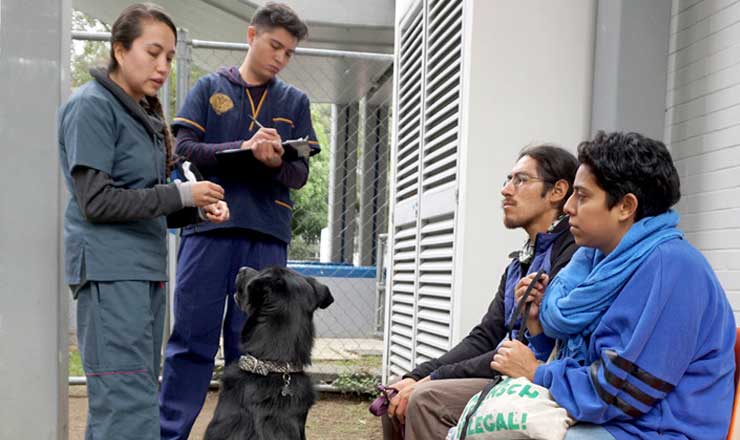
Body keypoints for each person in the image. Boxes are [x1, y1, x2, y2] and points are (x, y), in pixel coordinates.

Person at [492, 131, 736, 439]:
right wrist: (537, 329)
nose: (568, 208)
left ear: (625, 206)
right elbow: (582, 360)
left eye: (581, 196)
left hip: (653, 430)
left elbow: (621, 393)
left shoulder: (671, 267)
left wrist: (537, 372)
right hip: (609, 418)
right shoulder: (596, 261)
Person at [58, 4, 229, 439]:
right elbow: (96, 201)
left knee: (131, 402)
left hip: (142, 274)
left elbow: (142, 201)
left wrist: (194, 208)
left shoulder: (142, 115)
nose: (163, 66)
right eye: (153, 53)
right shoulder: (92, 107)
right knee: (126, 407)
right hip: (111, 275)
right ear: (119, 49)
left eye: (170, 57)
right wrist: (181, 193)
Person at [158, 3, 320, 438]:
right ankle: (169, 432)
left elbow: (300, 174)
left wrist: (271, 161)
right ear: (251, 36)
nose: (280, 58)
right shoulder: (211, 88)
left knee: (250, 350)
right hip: (209, 230)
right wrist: (243, 148)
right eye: (274, 46)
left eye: (288, 53)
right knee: (191, 341)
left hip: (266, 236)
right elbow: (183, 148)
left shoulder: (295, 102)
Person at [383, 145, 579, 440]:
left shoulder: (570, 254)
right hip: (501, 369)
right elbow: (485, 336)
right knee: (396, 393)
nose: (506, 191)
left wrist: (431, 379)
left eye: (521, 180)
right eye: (508, 179)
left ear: (557, 191)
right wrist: (417, 374)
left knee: (424, 399)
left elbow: (529, 345)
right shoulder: (520, 261)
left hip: (537, 376)